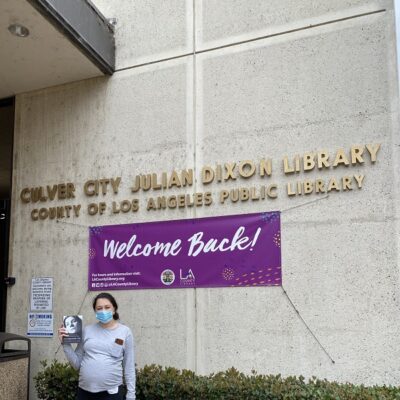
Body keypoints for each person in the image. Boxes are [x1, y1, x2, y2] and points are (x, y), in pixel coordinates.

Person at [58, 293, 135, 400]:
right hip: (84, 393)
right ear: (95, 311)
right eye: (99, 308)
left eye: (107, 307)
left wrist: (131, 395)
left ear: (114, 309)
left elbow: (129, 367)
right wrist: (65, 343)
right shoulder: (87, 330)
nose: (103, 311)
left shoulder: (125, 332)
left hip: (111, 394)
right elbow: (76, 364)